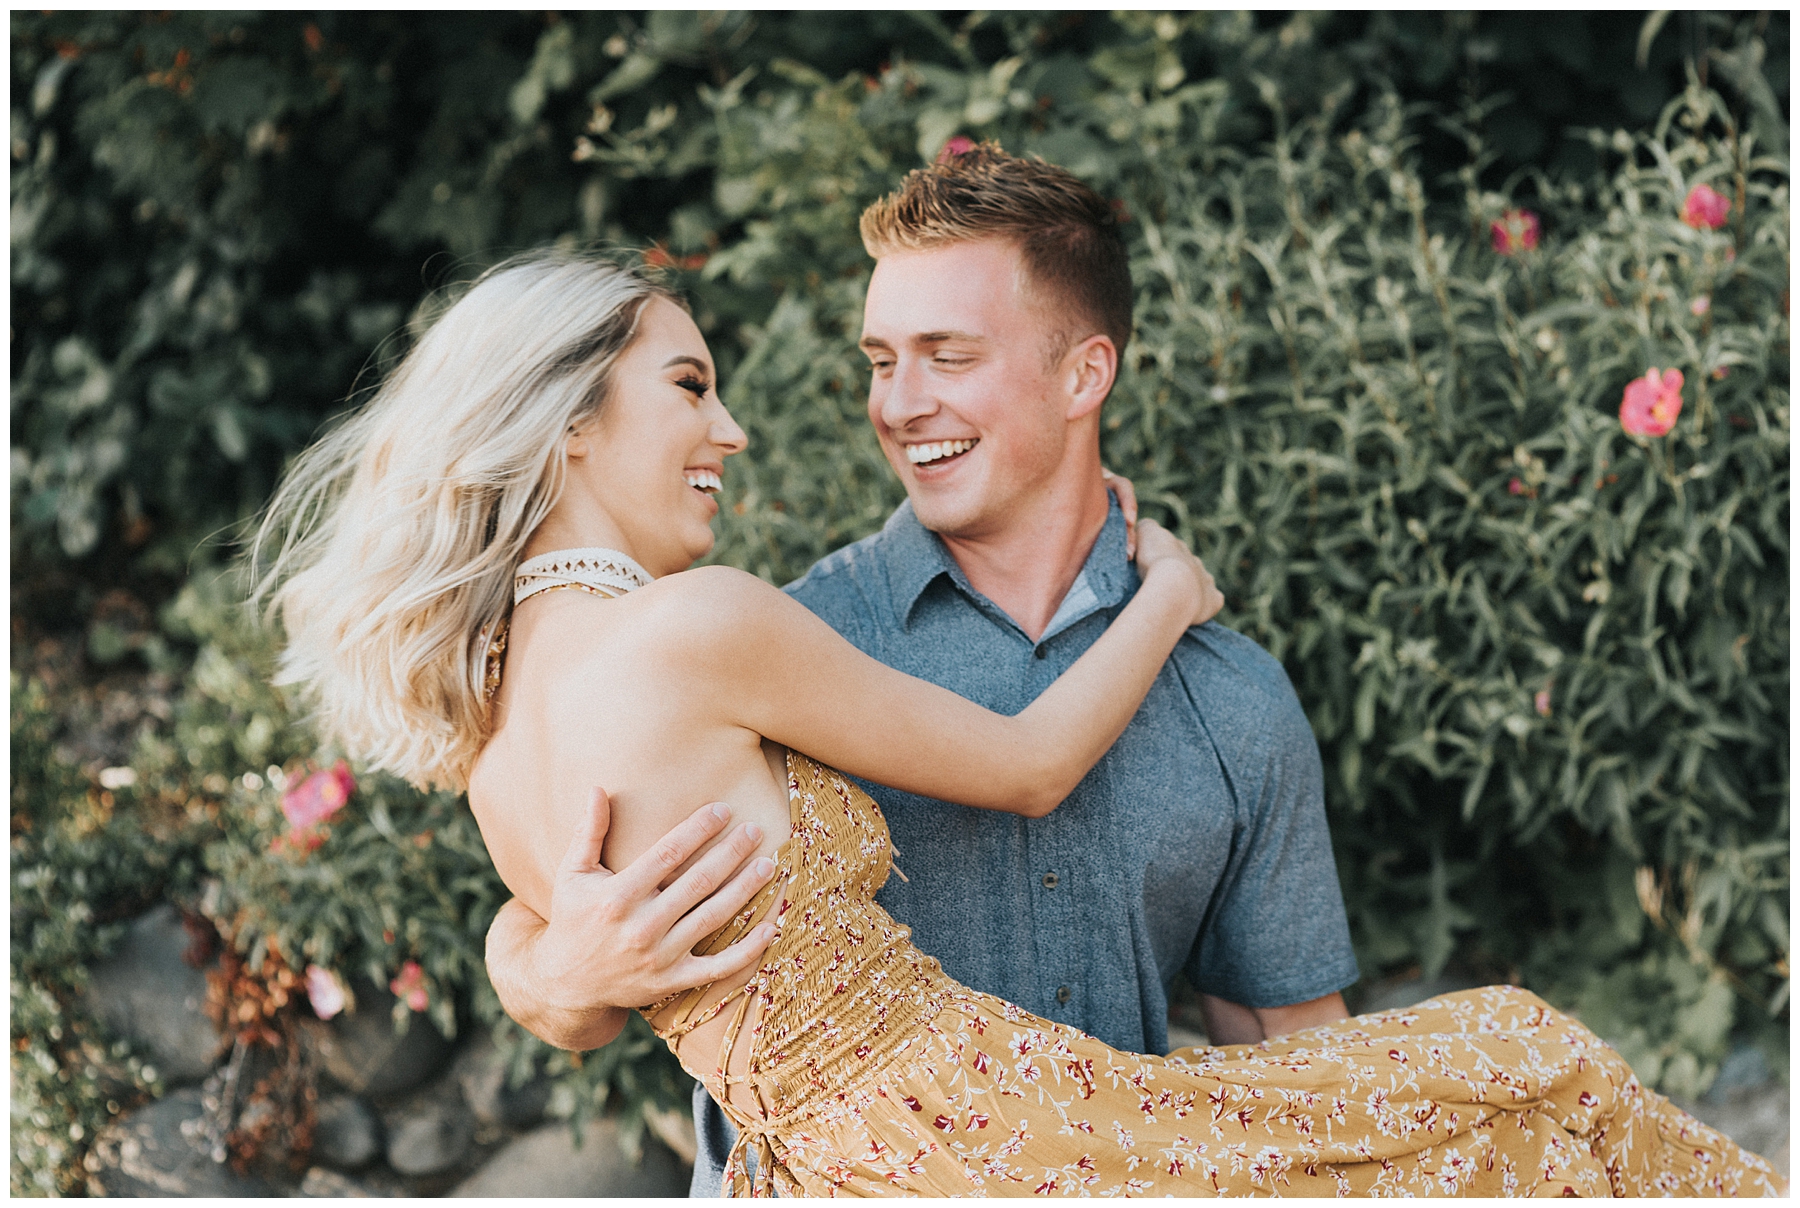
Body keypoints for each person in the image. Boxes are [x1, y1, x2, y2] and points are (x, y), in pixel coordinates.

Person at [255, 235, 1781, 1196]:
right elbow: (1033, 767)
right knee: (1525, 1056)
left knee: (1488, 1107)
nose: (731, 427)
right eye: (689, 386)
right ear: (573, 417)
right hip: (976, 1134)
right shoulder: (721, 624)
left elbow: (578, 925)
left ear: (1086, 373)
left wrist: (531, 952)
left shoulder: (488, 736)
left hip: (848, 1173)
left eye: (947, 355)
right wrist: (1174, 595)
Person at [485, 144, 1364, 1195]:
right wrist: (547, 974)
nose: (899, 405)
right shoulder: (786, 636)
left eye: (947, 356)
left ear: (1086, 372)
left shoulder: (1230, 698)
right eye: (879, 360)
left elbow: (1295, 1063)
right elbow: (557, 870)